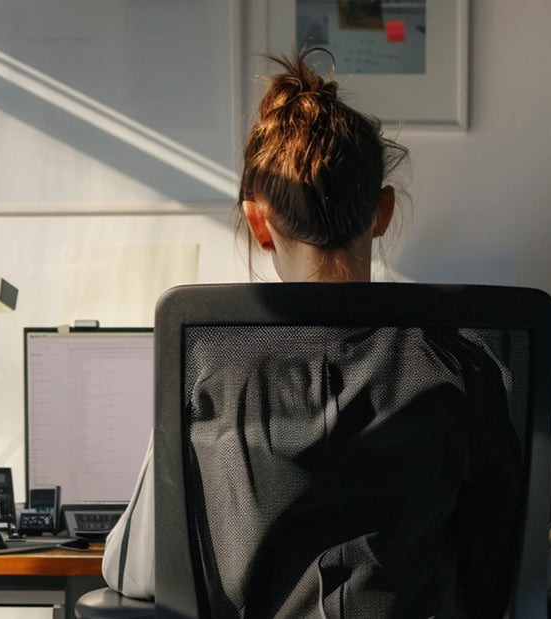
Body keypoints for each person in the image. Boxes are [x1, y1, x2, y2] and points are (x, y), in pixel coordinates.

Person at [103, 49, 523, 617]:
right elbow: (514, 570)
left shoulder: (204, 369)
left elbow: (137, 570)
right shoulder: (458, 364)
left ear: (259, 222)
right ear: (382, 212)